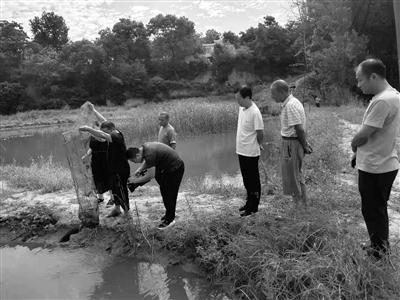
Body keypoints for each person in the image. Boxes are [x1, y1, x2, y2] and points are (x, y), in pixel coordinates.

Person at [351, 58, 400, 259]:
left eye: (360, 79)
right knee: (376, 209)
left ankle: (379, 251)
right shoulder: (392, 95)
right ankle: (378, 244)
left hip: (376, 166)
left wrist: (353, 145)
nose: (358, 84)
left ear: (373, 76)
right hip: (383, 161)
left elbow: (363, 135)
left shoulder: (382, 100)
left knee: (373, 210)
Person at [79, 105, 130, 218]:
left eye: (105, 131)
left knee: (121, 190)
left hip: (120, 168)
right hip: (113, 167)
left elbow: (102, 135)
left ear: (110, 130)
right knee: (115, 189)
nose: (103, 132)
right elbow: (104, 121)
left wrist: (88, 129)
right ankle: (117, 209)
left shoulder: (116, 136)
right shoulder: (112, 128)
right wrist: (94, 111)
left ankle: (127, 213)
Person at [270, 79, 312, 208]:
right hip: (291, 143)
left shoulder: (291, 105)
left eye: (273, 93)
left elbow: (299, 128)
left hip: (292, 144)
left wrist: (304, 145)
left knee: (293, 175)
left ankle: (299, 206)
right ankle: (302, 204)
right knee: (295, 173)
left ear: (282, 92)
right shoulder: (290, 103)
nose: (272, 97)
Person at [126, 142, 185, 229]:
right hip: (167, 169)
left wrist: (135, 182)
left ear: (138, 155)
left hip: (176, 169)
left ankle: (170, 220)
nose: (134, 163)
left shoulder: (150, 155)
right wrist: (140, 169)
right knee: (164, 191)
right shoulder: (144, 148)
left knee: (170, 194)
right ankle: (169, 214)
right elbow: (147, 163)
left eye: (133, 161)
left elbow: (150, 175)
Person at [127, 112, 177, 192]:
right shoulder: (161, 128)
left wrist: (167, 158)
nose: (160, 122)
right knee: (149, 171)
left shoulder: (170, 130)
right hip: (157, 153)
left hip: (164, 156)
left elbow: (173, 146)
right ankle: (134, 184)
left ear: (168, 120)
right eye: (159, 120)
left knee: (153, 173)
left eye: (162, 120)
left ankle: (134, 184)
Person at [235, 86, 264, 217]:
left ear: (247, 97)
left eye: (239, 99)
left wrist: (259, 145)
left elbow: (260, 133)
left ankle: (253, 207)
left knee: (253, 181)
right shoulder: (242, 108)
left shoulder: (255, 112)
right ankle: (248, 203)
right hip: (241, 150)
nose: (238, 101)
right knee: (246, 180)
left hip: (251, 152)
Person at [82, 122, 111, 203]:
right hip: (95, 159)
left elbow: (101, 140)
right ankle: (101, 198)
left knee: (107, 177)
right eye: (92, 127)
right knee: (96, 177)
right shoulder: (92, 136)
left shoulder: (103, 135)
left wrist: (90, 131)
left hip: (105, 158)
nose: (93, 129)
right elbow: (92, 148)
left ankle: (112, 198)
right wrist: (86, 155)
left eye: (95, 127)